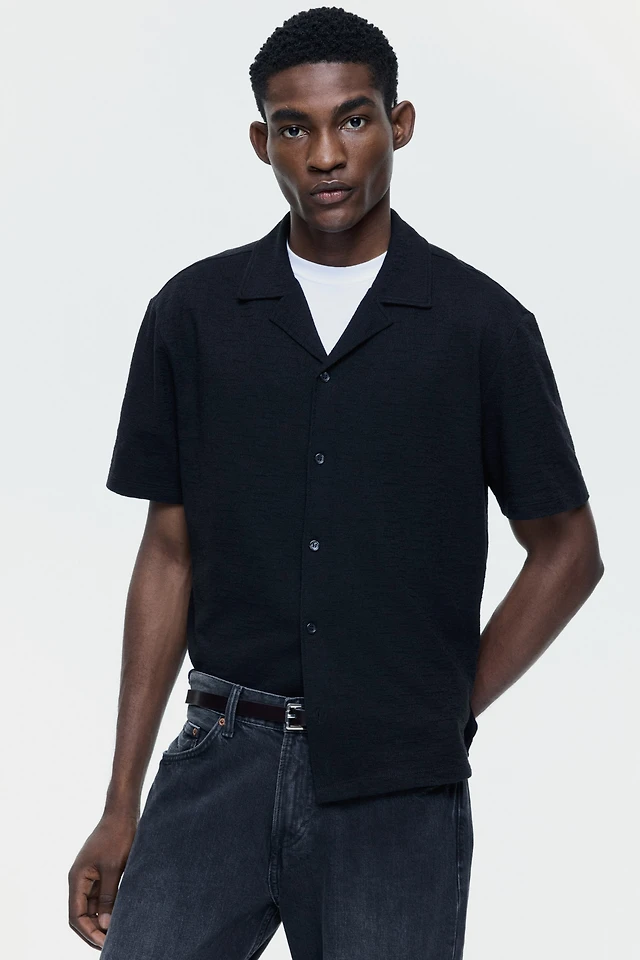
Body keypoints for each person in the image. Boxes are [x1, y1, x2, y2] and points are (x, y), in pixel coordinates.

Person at [68, 7, 604, 958]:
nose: (324, 155)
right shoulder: (194, 314)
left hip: (398, 786)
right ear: (260, 141)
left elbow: (569, 551)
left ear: (400, 123)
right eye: (295, 128)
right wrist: (120, 803)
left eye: (353, 120)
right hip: (220, 756)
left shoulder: (481, 326)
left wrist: (447, 707)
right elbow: (168, 552)